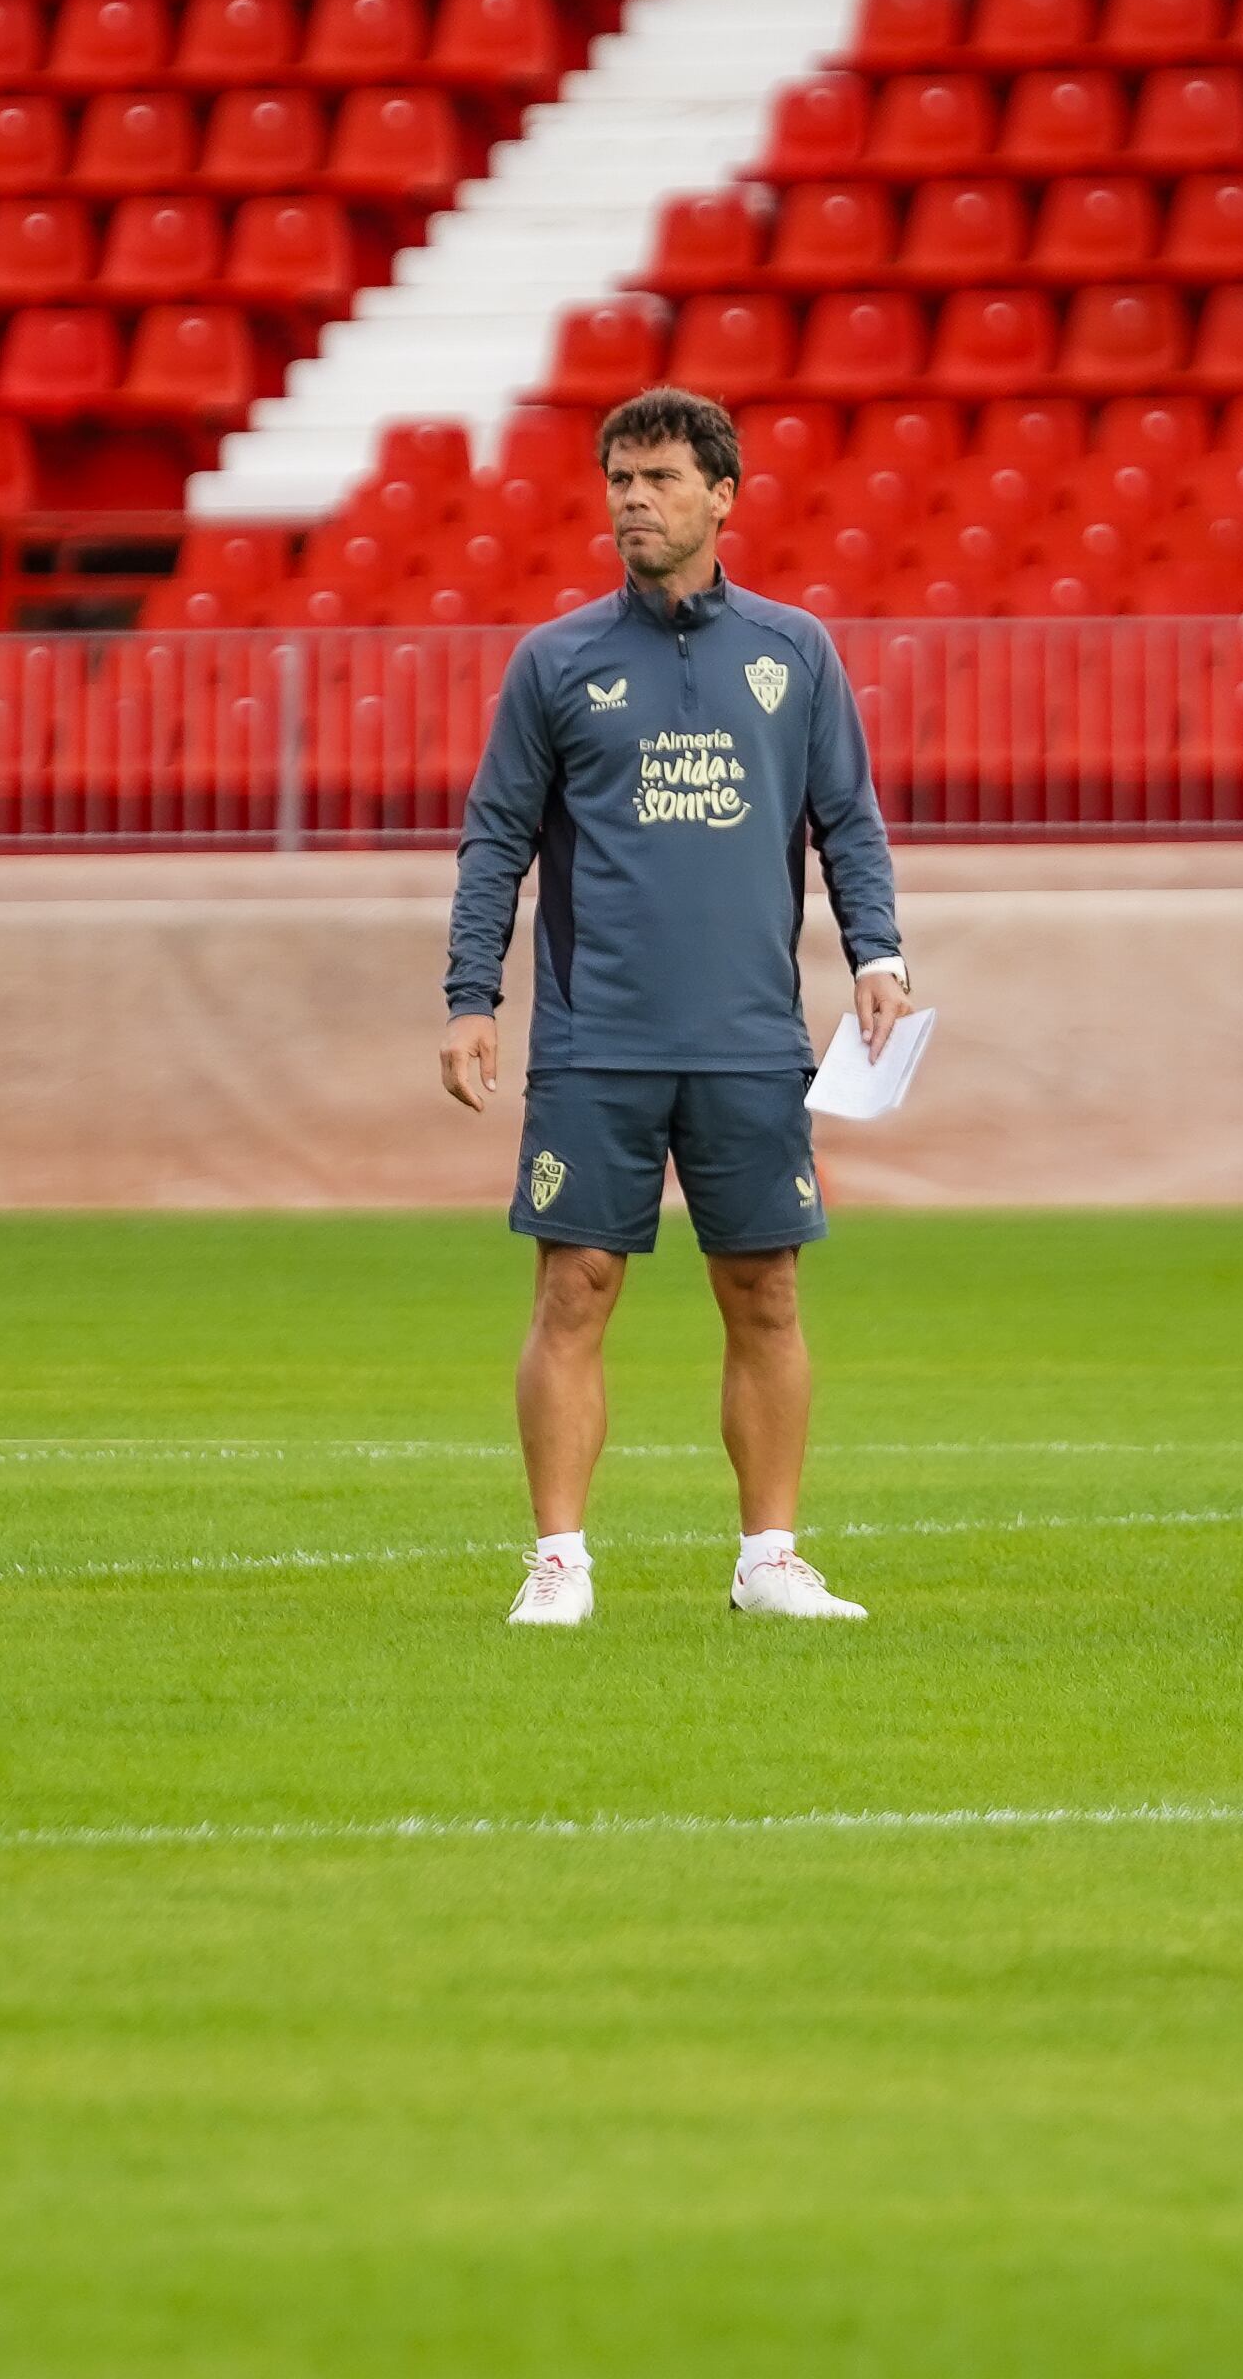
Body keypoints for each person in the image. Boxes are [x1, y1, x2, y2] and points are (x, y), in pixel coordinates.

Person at [441, 386, 911, 1630]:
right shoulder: (554, 661)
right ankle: (558, 1559)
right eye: (619, 481)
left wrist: (878, 953)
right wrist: (468, 997)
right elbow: (495, 839)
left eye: (657, 479)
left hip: (753, 1035)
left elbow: (847, 820)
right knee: (574, 1285)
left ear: (723, 496)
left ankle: (769, 1556)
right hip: (598, 1036)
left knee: (764, 1290)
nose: (633, 502)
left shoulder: (795, 651)